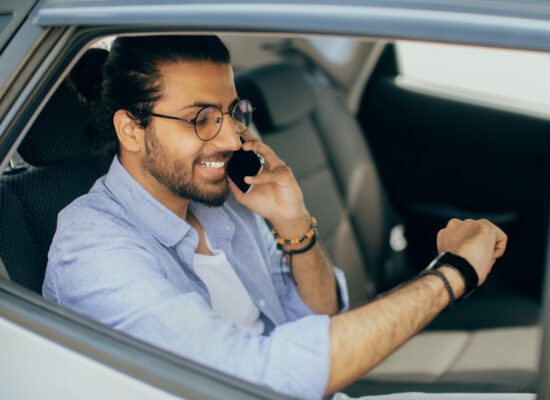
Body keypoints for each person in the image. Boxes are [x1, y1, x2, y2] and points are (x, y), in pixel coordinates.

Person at [43, 35, 517, 400]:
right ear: (131, 128)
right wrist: (452, 274)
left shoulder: (226, 204)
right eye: (201, 118)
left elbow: (322, 317)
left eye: (231, 113)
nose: (231, 139)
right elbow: (257, 380)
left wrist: (294, 224)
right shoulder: (93, 248)